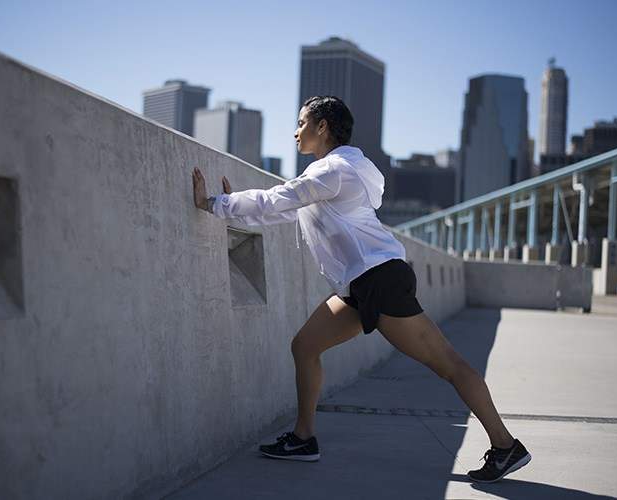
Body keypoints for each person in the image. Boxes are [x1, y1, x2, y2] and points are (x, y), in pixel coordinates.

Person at [191, 95, 531, 483]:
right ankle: (304, 438)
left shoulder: (333, 172)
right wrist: (233, 204)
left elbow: (278, 199)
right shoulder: (345, 171)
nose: (296, 131)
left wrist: (214, 203)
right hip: (361, 284)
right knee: (304, 346)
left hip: (379, 280)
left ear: (323, 127)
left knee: (448, 365)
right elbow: (284, 209)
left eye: (302, 122)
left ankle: (505, 445)